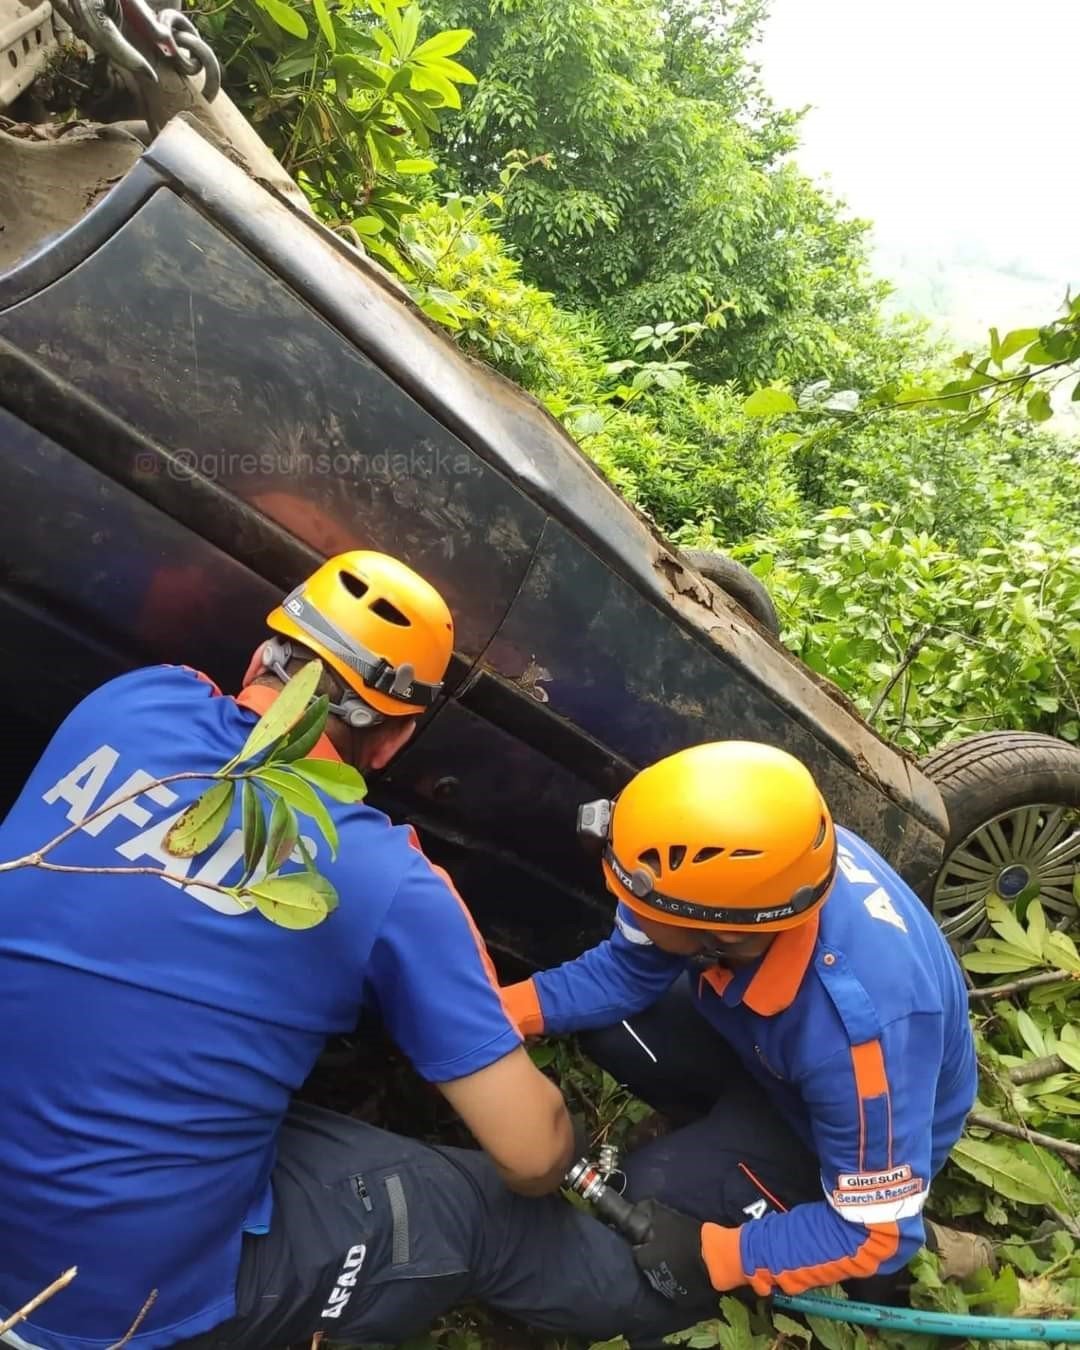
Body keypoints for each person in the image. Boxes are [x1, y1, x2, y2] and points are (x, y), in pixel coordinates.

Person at [0, 551, 688, 1350]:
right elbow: (531, 1155)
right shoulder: (387, 879)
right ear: (392, 744)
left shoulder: (130, 701)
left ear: (264, 656)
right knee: (491, 1214)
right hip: (105, 1310)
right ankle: (671, 1291)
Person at [501, 741, 984, 1310]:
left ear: (723, 932)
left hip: (830, 1131)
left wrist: (720, 1255)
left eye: (648, 907)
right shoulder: (759, 871)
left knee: (640, 1208)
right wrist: (499, 1014)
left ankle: (896, 1246)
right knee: (616, 1027)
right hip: (772, 1054)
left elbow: (876, 1237)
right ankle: (720, 1147)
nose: (627, 905)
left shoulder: (860, 1038)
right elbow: (625, 971)